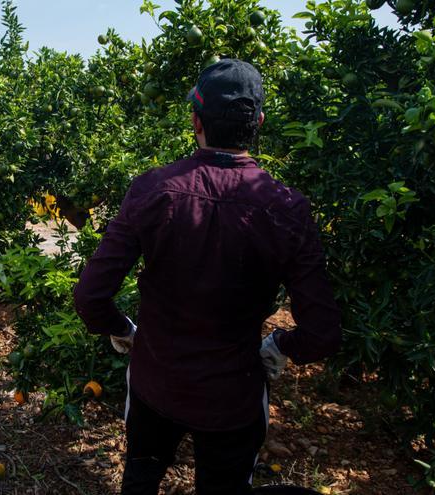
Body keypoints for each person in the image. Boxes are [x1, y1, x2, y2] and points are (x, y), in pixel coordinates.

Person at [73, 59, 342, 494]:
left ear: (196, 120)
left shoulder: (153, 189)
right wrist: (277, 346)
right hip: (231, 397)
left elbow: (90, 298)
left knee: (141, 477)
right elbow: (323, 333)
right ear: (259, 122)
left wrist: (124, 329)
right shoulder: (287, 207)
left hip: (155, 381)